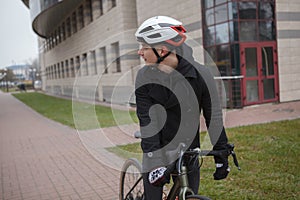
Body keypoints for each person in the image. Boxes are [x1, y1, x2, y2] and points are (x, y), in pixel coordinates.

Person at [134, 16, 230, 200]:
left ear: (162, 50)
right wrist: (154, 160)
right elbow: (147, 121)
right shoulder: (143, 77)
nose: (140, 52)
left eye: (144, 47)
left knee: (188, 194)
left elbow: (214, 116)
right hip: (156, 146)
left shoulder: (201, 74)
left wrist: (221, 152)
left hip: (187, 149)